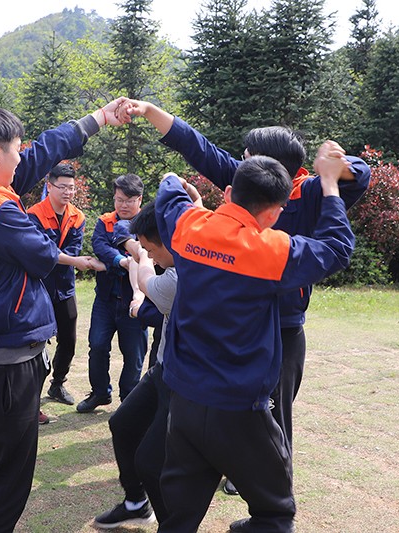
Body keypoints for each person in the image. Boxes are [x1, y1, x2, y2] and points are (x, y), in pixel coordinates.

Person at [120, 101, 370, 494]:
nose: (240, 161)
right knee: (231, 408)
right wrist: (150, 110)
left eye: (248, 155)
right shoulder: (248, 181)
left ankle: (273, 496)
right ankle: (234, 477)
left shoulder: (308, 192)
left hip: (283, 327)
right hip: (240, 321)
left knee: (274, 415)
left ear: (276, 168)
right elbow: (199, 148)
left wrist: (334, 168)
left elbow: (361, 175)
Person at [154, 147, 354, 532]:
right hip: (239, 409)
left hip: (185, 401)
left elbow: (168, 196)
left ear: (229, 193)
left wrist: (176, 184)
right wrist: (329, 184)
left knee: (179, 517)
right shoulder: (270, 250)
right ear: (275, 214)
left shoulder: (188, 225)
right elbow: (336, 248)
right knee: (275, 514)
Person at [0, 99, 127, 532]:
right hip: (8, 363)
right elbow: (42, 257)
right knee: (10, 475)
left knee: (7, 467)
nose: (23, 158)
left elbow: (41, 153)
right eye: (17, 149)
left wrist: (96, 120)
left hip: (1, 353)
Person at [92, 198, 193, 529]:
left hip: (184, 380)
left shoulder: (183, 275)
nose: (150, 254)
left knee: (152, 462)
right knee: (122, 425)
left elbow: (148, 283)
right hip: (163, 367)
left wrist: (140, 256)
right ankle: (136, 502)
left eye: (151, 248)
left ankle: (173, 525)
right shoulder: (177, 259)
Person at [26, 163, 104, 406]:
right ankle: (29, 394)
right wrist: (72, 261)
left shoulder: (77, 216)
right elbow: (41, 251)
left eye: (71, 187)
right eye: (62, 187)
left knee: (69, 339)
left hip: (65, 286)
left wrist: (67, 259)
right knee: (35, 341)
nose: (67, 192)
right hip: (39, 286)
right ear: (49, 186)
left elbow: (72, 249)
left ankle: (57, 384)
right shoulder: (34, 214)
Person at [77, 173, 149, 413]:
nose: (123, 205)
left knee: (134, 353)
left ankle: (128, 399)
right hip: (105, 299)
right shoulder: (105, 221)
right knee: (97, 346)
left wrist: (111, 263)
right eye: (119, 200)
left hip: (135, 301)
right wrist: (121, 261)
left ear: (140, 199)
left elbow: (149, 255)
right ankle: (100, 393)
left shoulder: (148, 223)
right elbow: (100, 246)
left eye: (129, 200)